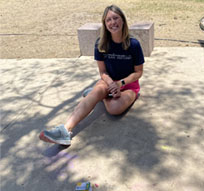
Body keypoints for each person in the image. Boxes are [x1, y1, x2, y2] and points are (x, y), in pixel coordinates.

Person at [39, 5, 145, 145]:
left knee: (114, 109)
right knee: (97, 92)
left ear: (123, 21)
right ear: (105, 24)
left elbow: (138, 72)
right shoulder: (100, 44)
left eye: (116, 18)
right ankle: (65, 130)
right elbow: (102, 72)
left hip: (129, 85)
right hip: (108, 81)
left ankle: (101, 96)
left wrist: (120, 84)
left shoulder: (133, 44)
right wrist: (111, 84)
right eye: (109, 20)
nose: (113, 22)